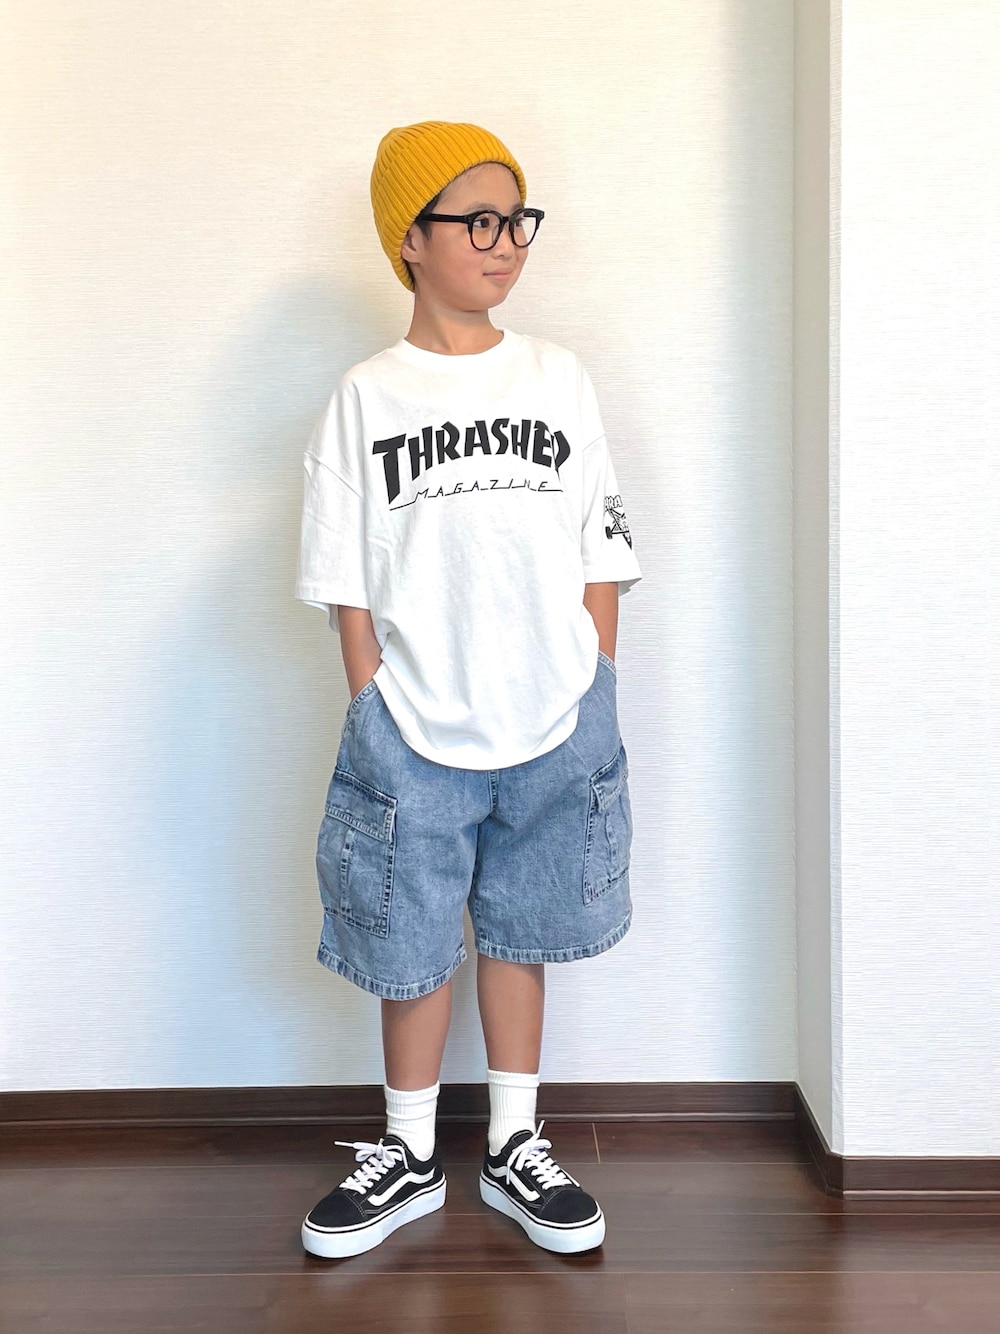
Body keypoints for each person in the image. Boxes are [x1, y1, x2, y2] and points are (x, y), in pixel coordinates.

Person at [294, 120, 642, 1260]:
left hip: (554, 710)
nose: (504, 243)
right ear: (410, 239)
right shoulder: (366, 397)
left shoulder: (558, 377)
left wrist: (595, 675)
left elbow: (600, 543)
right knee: (406, 935)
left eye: (516, 221)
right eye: (476, 221)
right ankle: (405, 1152)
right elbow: (345, 578)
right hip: (413, 719)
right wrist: (372, 704)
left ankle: (513, 1141)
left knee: (522, 925)